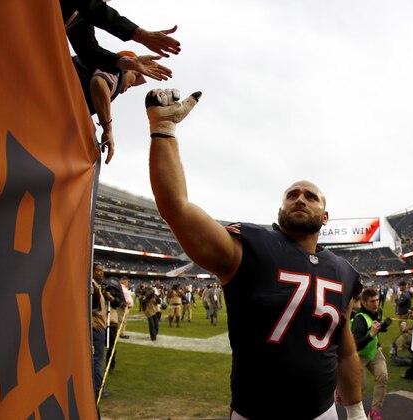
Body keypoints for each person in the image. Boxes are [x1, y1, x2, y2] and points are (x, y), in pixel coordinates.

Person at [144, 89, 366, 419]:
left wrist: (356, 409)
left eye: (310, 196)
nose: (300, 199)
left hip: (324, 413)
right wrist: (164, 130)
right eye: (292, 195)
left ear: (325, 215)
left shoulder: (344, 271)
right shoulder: (249, 246)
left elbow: (344, 350)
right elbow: (177, 208)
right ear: (280, 209)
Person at [61, 0, 179, 82]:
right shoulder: (88, 7)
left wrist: (125, 62)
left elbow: (88, 50)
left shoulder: (82, 14)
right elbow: (91, 7)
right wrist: (139, 34)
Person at [352, 288, 388, 420]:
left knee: (382, 376)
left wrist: (382, 327)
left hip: (373, 351)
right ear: (364, 302)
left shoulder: (377, 312)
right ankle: (342, 392)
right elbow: (356, 344)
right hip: (360, 353)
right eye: (372, 301)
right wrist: (372, 334)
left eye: (377, 300)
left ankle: (374, 412)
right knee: (361, 386)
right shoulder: (359, 319)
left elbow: (376, 327)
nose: (376, 303)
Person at [90, 263, 110, 398]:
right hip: (96, 328)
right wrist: (90, 322)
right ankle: (98, 390)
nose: (101, 273)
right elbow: (83, 305)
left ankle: (95, 388)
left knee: (96, 359)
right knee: (98, 360)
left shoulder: (95, 286)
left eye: (102, 271)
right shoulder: (91, 286)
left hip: (99, 326)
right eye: (97, 270)